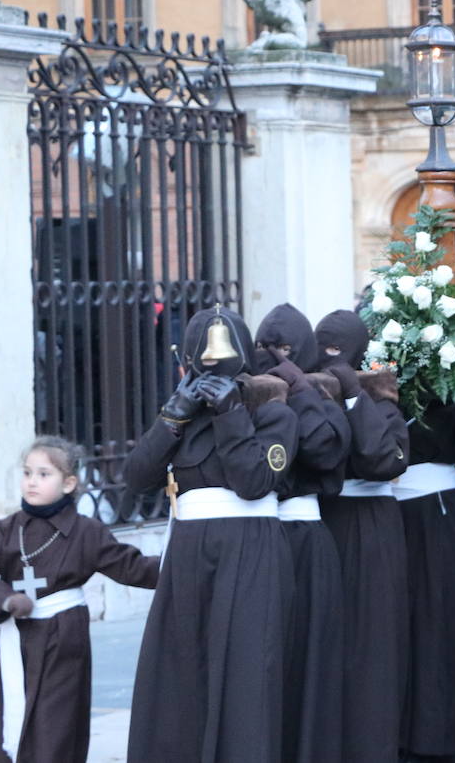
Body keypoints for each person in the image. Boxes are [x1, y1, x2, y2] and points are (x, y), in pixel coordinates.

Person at [126, 306, 298, 762]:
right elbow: (136, 476)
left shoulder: (274, 413)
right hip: (187, 555)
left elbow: (254, 482)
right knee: (182, 676)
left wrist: (230, 413)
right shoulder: (179, 415)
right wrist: (171, 419)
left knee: (246, 678)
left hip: (250, 548)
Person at [0, 438, 159, 763]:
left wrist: (180, 566)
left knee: (57, 724)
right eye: (27, 473)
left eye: (43, 474)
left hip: (63, 640)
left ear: (69, 483)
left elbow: (130, 566)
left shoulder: (86, 532)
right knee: (17, 715)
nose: (31, 481)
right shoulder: (7, 530)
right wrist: (7, 598)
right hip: (19, 640)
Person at [253, 304, 351, 763]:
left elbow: (324, 450)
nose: (274, 358)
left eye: (288, 351)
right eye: (267, 350)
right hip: (259, 539)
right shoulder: (251, 391)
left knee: (312, 663)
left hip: (308, 541)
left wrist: (297, 386)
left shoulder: (321, 390)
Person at [313, 309, 410, 763]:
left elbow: (383, 460)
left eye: (339, 350)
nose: (331, 359)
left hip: (372, 525)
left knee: (373, 643)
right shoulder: (310, 395)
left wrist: (355, 398)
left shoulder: (381, 401)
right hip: (326, 522)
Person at [395, 397, 455, 761]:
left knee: (439, 623)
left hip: (437, 508)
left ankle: (434, 736)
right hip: (386, 509)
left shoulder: (453, 396)